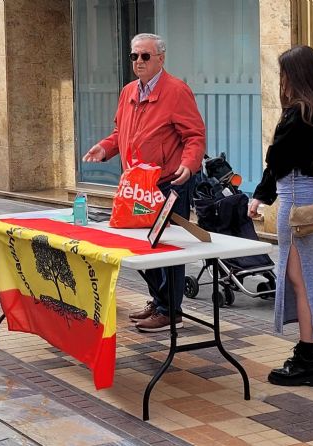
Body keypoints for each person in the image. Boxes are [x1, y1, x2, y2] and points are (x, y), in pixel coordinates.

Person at [83, 33, 206, 332]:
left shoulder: (177, 91)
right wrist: (106, 148)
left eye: (145, 56)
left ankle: (170, 310)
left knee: (168, 247)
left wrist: (189, 166)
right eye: (134, 56)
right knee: (139, 245)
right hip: (137, 186)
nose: (138, 61)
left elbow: (194, 136)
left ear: (161, 58)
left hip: (169, 183)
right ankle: (159, 300)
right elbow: (120, 132)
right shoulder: (128, 92)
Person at [249, 45, 313, 387]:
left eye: (284, 72)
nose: (281, 79)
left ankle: (309, 358)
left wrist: (259, 197)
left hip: (297, 201)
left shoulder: (298, 113)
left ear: (296, 76)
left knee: (301, 283)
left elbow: (277, 161)